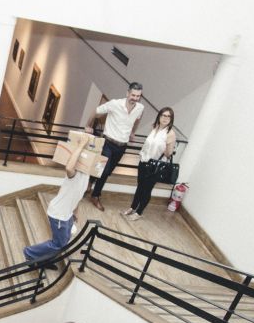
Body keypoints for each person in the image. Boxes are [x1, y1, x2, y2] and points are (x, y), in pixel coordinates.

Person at [23, 134, 89, 264]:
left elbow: (77, 195)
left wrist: (75, 211)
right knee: (58, 244)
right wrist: (81, 144)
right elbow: (69, 167)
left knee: (66, 238)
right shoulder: (75, 174)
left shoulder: (86, 175)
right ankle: (29, 253)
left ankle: (44, 259)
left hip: (67, 213)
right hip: (59, 214)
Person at [85, 82, 145, 211]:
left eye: (138, 96)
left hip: (122, 146)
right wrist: (88, 126)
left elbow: (137, 119)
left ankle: (90, 183)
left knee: (107, 171)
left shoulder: (140, 108)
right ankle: (95, 195)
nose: (135, 98)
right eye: (133, 95)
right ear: (127, 93)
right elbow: (95, 111)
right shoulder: (115, 104)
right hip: (107, 142)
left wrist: (133, 132)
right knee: (104, 171)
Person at [121, 107, 176, 222]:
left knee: (147, 189)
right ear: (159, 116)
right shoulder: (154, 127)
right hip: (144, 162)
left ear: (171, 119)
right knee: (140, 187)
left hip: (155, 166)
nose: (165, 118)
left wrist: (167, 145)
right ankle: (132, 207)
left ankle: (139, 212)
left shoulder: (170, 133)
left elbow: (168, 154)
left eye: (168, 116)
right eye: (163, 115)